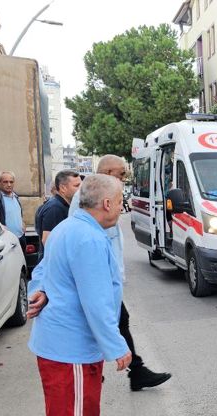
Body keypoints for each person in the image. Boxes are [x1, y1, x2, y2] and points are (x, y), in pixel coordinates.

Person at [27, 174, 132, 416]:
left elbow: (46, 271)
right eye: (121, 199)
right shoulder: (87, 237)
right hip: (69, 353)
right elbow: (96, 302)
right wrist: (117, 346)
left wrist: (44, 288)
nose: (122, 206)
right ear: (108, 203)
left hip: (70, 350)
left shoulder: (70, 228)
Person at [68, 155, 171, 391]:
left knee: (118, 319)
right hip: (96, 277)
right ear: (106, 173)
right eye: (121, 174)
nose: (125, 179)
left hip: (107, 276)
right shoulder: (85, 200)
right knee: (109, 320)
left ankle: (131, 371)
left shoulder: (106, 196)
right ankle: (126, 369)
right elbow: (85, 243)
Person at [37, 170, 82, 261]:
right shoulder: (55, 208)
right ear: (63, 188)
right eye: (77, 186)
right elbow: (47, 240)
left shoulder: (63, 205)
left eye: (81, 185)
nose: (81, 190)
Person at [0, 170, 25, 250]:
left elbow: (17, 213)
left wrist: (22, 222)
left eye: (11, 182)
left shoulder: (15, 196)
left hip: (20, 237)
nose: (9, 185)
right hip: (6, 241)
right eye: (5, 182)